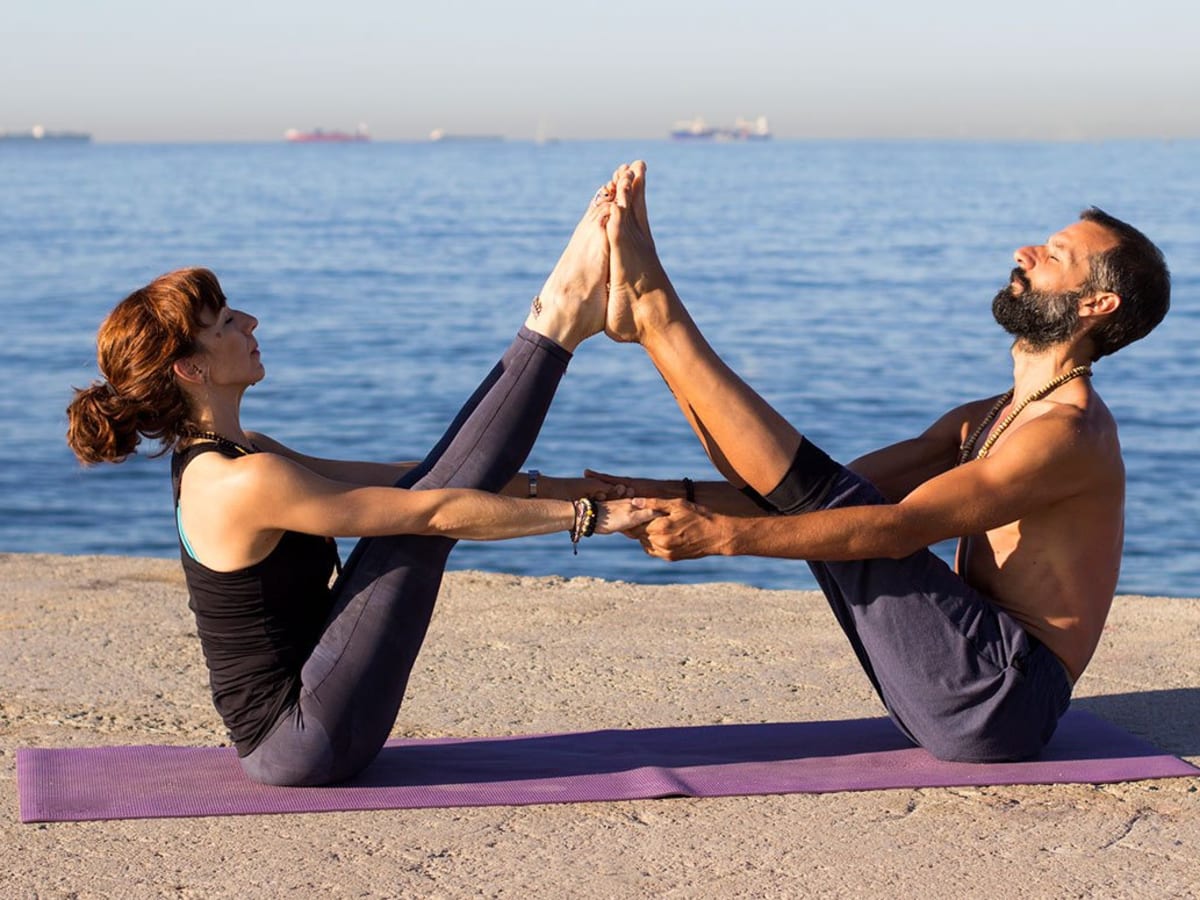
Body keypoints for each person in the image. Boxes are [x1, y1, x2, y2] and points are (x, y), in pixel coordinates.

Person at [65, 179, 658, 786]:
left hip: (307, 716)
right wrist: (587, 516)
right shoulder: (241, 481)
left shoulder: (243, 455)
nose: (250, 320)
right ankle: (557, 319)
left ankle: (560, 316)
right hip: (303, 739)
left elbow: (410, 478)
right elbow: (429, 514)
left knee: (423, 491)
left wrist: (553, 487)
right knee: (420, 522)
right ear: (191, 368)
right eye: (225, 322)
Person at [593, 161, 1170, 762]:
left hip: (1003, 700)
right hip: (967, 686)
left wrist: (726, 538)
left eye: (1054, 256)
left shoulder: (1068, 434)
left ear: (1098, 303)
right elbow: (818, 490)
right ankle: (651, 322)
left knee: (845, 514)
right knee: (826, 498)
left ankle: (654, 313)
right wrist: (663, 495)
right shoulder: (993, 414)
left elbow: (898, 531)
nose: (1023, 252)